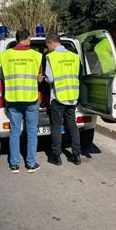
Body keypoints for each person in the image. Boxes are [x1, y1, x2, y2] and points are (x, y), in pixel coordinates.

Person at [0, 29, 43, 174]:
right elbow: (39, 78)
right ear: (28, 38)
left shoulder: (5, 56)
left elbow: (3, 77)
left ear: (17, 39)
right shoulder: (36, 56)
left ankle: (14, 164)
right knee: (31, 132)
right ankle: (30, 164)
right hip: (31, 99)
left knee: (14, 132)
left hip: (13, 99)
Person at [45, 32, 81, 166]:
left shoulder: (51, 57)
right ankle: (76, 155)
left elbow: (50, 79)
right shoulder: (74, 56)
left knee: (56, 126)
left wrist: (43, 78)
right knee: (72, 125)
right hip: (72, 96)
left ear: (50, 42)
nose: (47, 48)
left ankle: (56, 156)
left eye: (47, 45)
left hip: (58, 97)